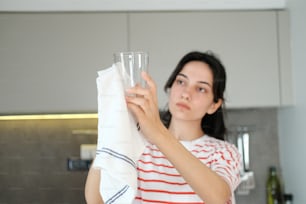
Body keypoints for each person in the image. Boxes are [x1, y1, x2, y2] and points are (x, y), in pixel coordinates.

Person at [85, 51, 241, 204]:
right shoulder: (136, 146)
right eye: (181, 82)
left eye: (201, 88)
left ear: (214, 105)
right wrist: (116, 124)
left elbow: (218, 198)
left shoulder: (224, 152)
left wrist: (158, 132)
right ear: (170, 87)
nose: (186, 94)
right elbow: (96, 199)